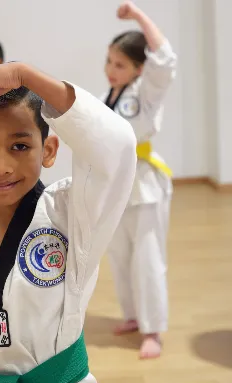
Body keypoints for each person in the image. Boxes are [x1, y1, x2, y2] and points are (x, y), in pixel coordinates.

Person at [0, 61, 137, 383]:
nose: (0, 167)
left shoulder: (71, 215)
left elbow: (117, 147)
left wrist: (25, 75)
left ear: (49, 150)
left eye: (20, 146)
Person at [102, 1, 177, 359]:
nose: (111, 71)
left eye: (120, 65)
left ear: (139, 68)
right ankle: (133, 315)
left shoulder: (146, 93)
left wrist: (137, 16)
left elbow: (165, 59)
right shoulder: (109, 97)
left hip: (145, 184)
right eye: (109, 62)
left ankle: (153, 330)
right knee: (121, 255)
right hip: (117, 187)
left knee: (147, 259)